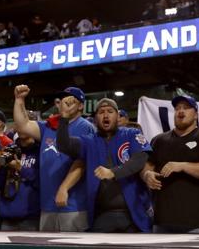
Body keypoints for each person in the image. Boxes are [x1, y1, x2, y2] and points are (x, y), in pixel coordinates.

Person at [57, 98, 152, 232]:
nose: (106, 115)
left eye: (110, 111)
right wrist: (64, 118)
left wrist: (113, 172)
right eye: (101, 112)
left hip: (133, 214)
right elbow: (63, 145)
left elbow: (140, 158)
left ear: (118, 116)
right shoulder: (89, 141)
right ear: (95, 118)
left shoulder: (131, 134)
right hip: (103, 215)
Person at [13, 85, 95, 232]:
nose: (65, 103)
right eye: (63, 99)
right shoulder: (48, 127)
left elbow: (82, 162)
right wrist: (19, 100)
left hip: (72, 205)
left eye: (71, 101)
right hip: (47, 205)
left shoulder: (86, 127)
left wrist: (64, 187)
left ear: (81, 106)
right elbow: (22, 126)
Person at [141, 95, 199, 233]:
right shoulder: (158, 140)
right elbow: (148, 166)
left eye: (186, 108)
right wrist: (146, 175)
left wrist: (182, 166)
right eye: (177, 108)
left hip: (196, 221)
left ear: (196, 114)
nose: (180, 111)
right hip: (161, 221)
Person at [0, 130, 41, 231]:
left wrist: (21, 168)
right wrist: (5, 167)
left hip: (30, 218)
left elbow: (40, 181)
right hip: (7, 216)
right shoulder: (12, 153)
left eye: (26, 138)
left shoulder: (40, 152)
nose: (23, 142)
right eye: (20, 139)